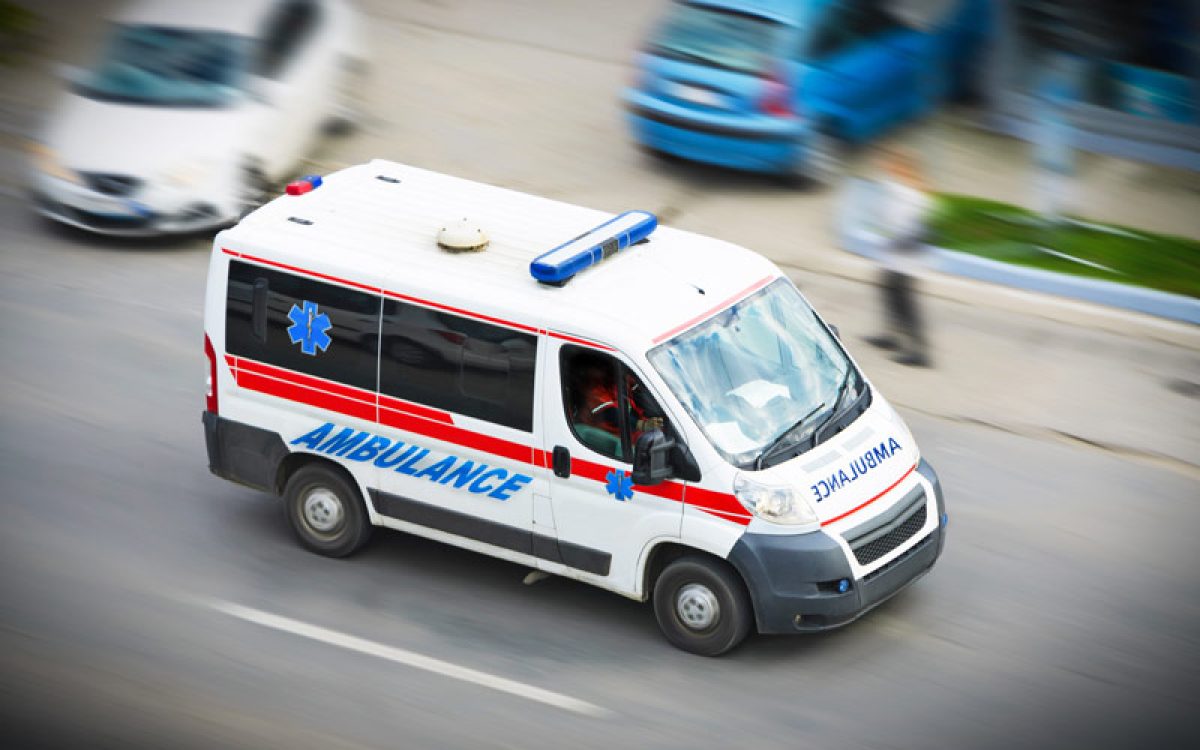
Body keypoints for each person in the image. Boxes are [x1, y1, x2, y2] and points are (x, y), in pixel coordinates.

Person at [863, 145, 933, 368]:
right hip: (893, 257)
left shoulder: (914, 196)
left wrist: (894, 243)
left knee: (906, 305)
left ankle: (921, 352)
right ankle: (891, 336)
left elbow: (913, 231)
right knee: (889, 296)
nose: (887, 168)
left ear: (903, 168)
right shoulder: (899, 189)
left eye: (892, 164)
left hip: (906, 261)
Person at [573, 359, 663, 445]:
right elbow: (611, 412)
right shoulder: (593, 390)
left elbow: (635, 386)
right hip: (614, 439)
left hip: (632, 428)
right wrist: (641, 424)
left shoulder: (615, 379)